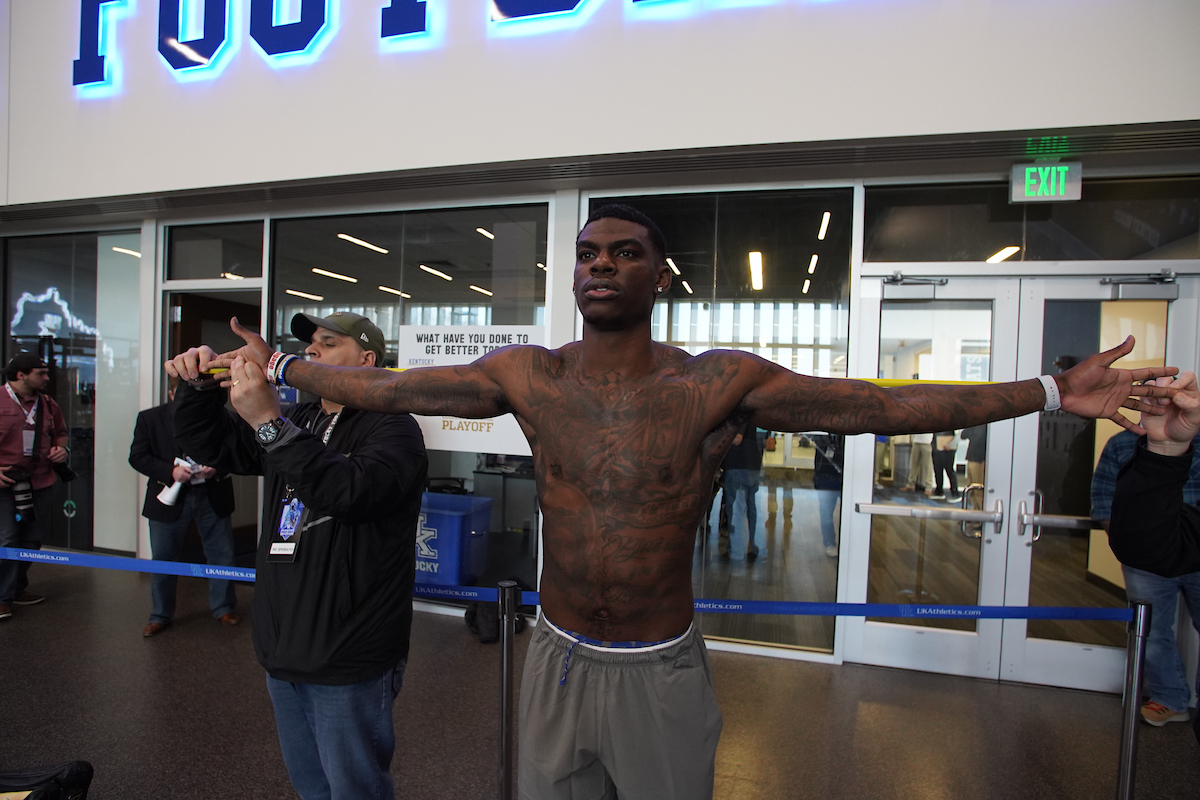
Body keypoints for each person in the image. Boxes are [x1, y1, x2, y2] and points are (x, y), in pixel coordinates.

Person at [182, 204, 1177, 800]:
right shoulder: (530, 374)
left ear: (660, 274)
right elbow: (389, 388)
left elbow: (879, 403)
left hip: (660, 664)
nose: (601, 264)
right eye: (587, 252)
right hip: (559, 656)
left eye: (622, 252)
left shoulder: (717, 380)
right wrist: (287, 368)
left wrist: (1050, 392)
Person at [168, 311, 428, 800]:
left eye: (328, 345)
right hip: (283, 646)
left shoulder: (394, 430)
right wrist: (199, 386)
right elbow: (212, 443)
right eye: (309, 345)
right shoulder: (302, 419)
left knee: (354, 789)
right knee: (311, 786)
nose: (312, 352)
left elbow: (349, 494)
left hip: (348, 652)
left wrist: (268, 421)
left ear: (367, 359)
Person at [1107, 370, 1200, 741]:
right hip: (1166, 550)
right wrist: (1164, 451)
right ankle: (1170, 697)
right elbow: (1148, 545)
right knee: (1153, 630)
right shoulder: (1125, 443)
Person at [128, 379, 240, 637]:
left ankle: (223, 607)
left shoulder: (221, 418)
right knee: (164, 559)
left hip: (212, 495)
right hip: (169, 498)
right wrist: (171, 471)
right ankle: (160, 614)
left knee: (222, 555)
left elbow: (236, 452)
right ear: (170, 393)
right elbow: (137, 456)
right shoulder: (150, 419)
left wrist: (217, 467)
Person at [0, 354, 69, 621]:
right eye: (41, 373)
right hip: (5, 483)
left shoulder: (48, 404)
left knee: (32, 539)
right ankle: (2, 598)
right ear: (20, 375)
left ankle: (16, 588)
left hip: (40, 480)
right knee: (7, 539)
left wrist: (61, 449)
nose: (47, 378)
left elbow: (61, 432)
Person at [717, 420, 764, 562]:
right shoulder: (752, 414)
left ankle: (735, 549)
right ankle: (751, 544)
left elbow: (737, 439)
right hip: (753, 464)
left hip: (738, 465)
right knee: (751, 508)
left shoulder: (739, 415)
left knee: (734, 509)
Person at [809, 433, 844, 557]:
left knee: (848, 514)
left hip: (845, 474)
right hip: (825, 474)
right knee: (826, 513)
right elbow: (814, 436)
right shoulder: (822, 429)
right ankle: (830, 543)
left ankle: (844, 543)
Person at [930, 430, 960, 501]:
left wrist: (951, 444)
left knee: (949, 470)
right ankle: (939, 491)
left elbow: (959, 434)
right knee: (937, 470)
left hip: (948, 448)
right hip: (936, 447)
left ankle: (955, 492)